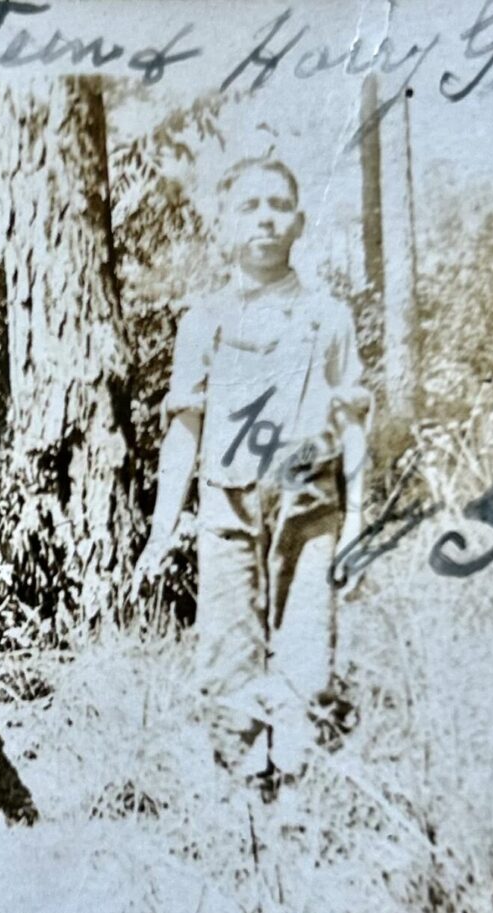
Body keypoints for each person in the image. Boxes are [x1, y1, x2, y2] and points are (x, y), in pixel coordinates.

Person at [133, 153, 370, 779]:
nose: (264, 220)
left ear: (299, 221)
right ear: (224, 225)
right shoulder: (203, 321)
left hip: (309, 512)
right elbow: (185, 430)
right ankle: (239, 797)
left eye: (277, 206)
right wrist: (161, 531)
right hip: (228, 512)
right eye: (249, 207)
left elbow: (352, 425)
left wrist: (358, 522)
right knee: (226, 657)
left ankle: (295, 797)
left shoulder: (329, 317)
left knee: (305, 653)